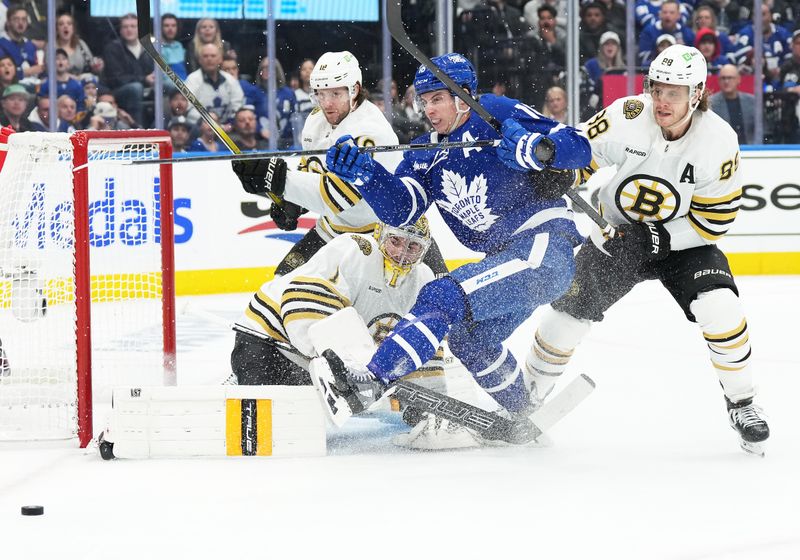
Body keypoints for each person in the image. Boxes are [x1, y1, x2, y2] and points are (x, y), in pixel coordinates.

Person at [322, 52, 590, 438]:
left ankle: (372, 381)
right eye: (423, 100)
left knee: (441, 296)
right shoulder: (425, 153)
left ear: (463, 97)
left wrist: (537, 149)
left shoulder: (495, 113)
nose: (428, 109)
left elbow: (579, 145)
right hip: (511, 259)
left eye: (436, 99)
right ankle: (524, 414)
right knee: (470, 337)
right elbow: (402, 208)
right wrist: (365, 174)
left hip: (543, 249)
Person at [525, 45, 770, 456]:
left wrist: (659, 238)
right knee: (567, 315)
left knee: (720, 308)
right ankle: (526, 399)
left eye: (674, 92)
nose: (661, 101)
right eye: (657, 89)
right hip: (618, 237)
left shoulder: (718, 141)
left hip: (683, 245)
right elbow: (581, 148)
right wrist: (559, 170)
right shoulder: (628, 115)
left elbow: (715, 221)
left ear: (696, 94)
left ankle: (742, 402)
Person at [229, 217, 454, 445]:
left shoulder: (423, 279)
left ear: (424, 250)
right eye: (395, 241)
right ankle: (237, 382)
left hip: (312, 363)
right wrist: (345, 367)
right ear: (380, 235)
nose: (401, 253)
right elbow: (299, 299)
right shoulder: (355, 250)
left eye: (412, 246)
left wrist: (430, 398)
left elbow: (421, 341)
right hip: (267, 341)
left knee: (297, 428)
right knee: (261, 433)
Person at [232, 51, 448, 279]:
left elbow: (338, 196)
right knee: (281, 285)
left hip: (392, 236)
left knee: (442, 299)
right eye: (320, 94)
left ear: (354, 90)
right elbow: (312, 173)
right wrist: (293, 204)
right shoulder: (315, 121)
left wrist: (278, 179)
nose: (327, 103)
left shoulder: (370, 130)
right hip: (334, 230)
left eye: (335, 93)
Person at [102, 13, 155, 127]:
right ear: (120, 30)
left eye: (133, 26)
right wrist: (144, 79)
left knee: (167, 87)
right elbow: (117, 78)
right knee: (136, 88)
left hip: (146, 87)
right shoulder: (112, 48)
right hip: (119, 91)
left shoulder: (149, 48)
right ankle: (138, 129)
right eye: (125, 27)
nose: (129, 29)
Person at [184, 43, 243, 127]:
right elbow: (188, 109)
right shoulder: (192, 80)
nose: (209, 59)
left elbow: (238, 105)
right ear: (200, 60)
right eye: (205, 56)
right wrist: (212, 124)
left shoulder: (230, 80)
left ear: (220, 59)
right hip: (201, 130)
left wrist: (231, 124)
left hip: (229, 129)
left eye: (213, 56)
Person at [638, 0, 696, 67]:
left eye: (672, 13)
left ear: (679, 15)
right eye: (665, 12)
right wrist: (659, 53)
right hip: (655, 71)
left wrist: (681, 52)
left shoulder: (687, 33)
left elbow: (692, 59)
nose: (668, 15)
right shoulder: (649, 32)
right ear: (660, 14)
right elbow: (643, 60)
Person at [710, 64, 755, 145]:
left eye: (730, 78)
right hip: (723, 150)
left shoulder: (752, 101)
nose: (726, 81)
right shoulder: (711, 103)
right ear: (718, 81)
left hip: (750, 150)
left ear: (738, 79)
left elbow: (760, 131)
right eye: (723, 78)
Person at [54, 12, 103, 78]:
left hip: (82, 84)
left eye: (69, 24)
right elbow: (48, 71)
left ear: (73, 29)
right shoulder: (52, 46)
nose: (65, 26)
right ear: (57, 30)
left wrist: (97, 67)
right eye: (61, 24)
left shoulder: (80, 44)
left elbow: (92, 66)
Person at [0, 5, 43, 80]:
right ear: (8, 22)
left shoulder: (30, 45)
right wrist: (26, 72)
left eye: (24, 19)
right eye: (16, 19)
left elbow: (39, 69)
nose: (20, 23)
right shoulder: (2, 44)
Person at [161, 13, 187, 81]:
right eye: (166, 25)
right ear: (160, 28)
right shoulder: (154, 48)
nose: (170, 28)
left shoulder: (180, 47)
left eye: (173, 25)